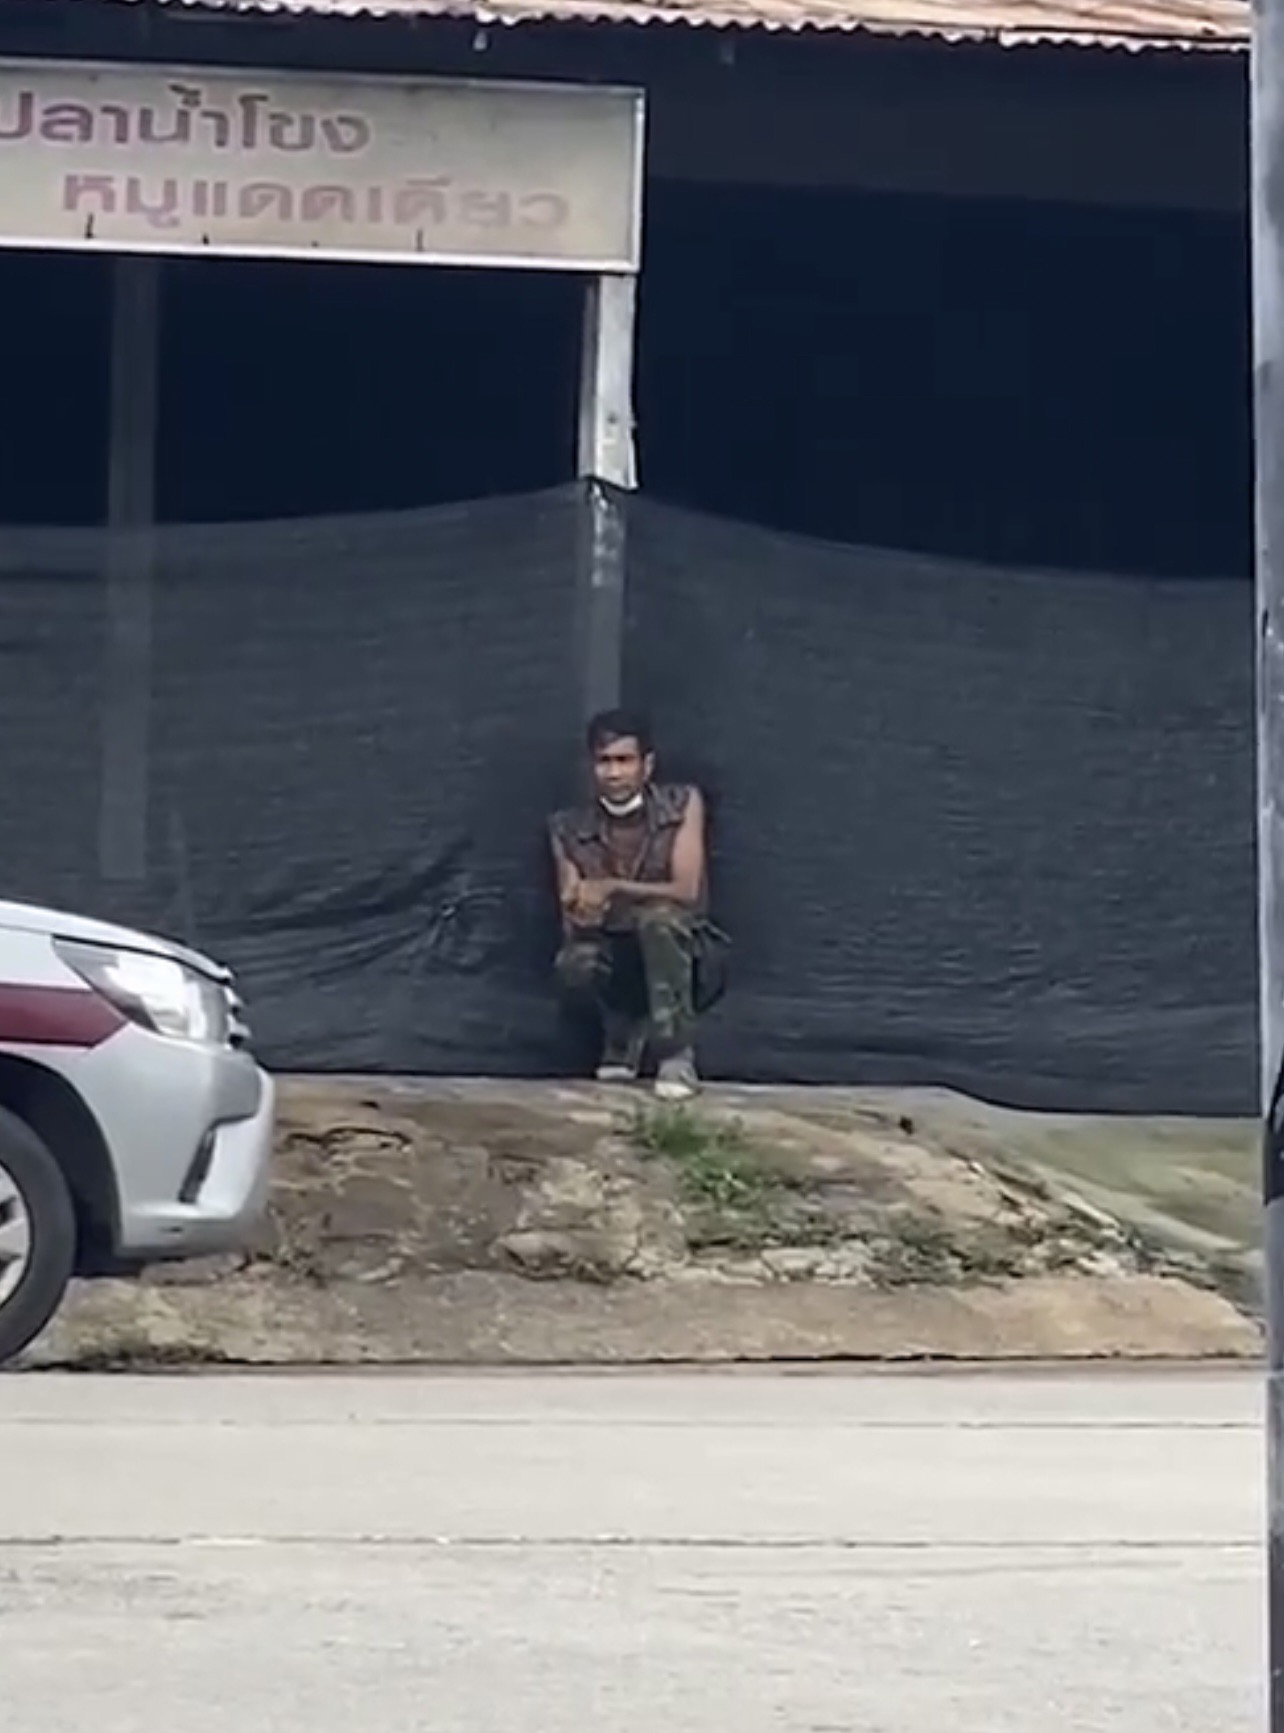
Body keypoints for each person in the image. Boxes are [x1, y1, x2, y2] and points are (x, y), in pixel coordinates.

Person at [549, 709, 727, 1101]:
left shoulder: (681, 804)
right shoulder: (567, 827)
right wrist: (581, 909)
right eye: (604, 761)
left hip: (687, 954)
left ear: (647, 765)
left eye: (624, 760)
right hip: (619, 950)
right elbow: (572, 916)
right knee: (575, 964)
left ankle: (676, 1054)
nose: (614, 773)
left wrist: (611, 887)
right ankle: (621, 1032)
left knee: (659, 921)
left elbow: (686, 891)